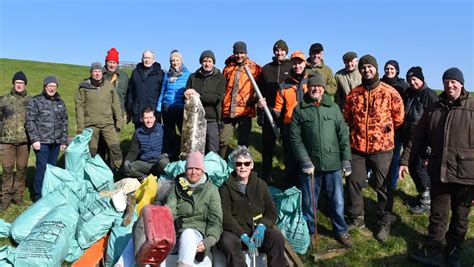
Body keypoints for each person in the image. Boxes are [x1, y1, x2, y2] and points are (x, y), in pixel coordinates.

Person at [400, 68, 473, 266]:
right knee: (438, 215)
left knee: (460, 217)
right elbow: (417, 137)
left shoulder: (472, 106)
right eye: (446, 82)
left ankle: (454, 251)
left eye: (453, 82)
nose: (450, 85)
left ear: (461, 83)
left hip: (467, 175)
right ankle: (433, 250)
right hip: (440, 171)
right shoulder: (433, 108)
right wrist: (405, 160)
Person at [343, 55, 404, 242]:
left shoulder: (389, 92)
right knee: (354, 181)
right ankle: (356, 217)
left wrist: (382, 132)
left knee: (383, 184)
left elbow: (399, 117)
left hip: (382, 148)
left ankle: (384, 220)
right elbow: (348, 117)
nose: (366, 70)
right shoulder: (354, 94)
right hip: (358, 146)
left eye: (370, 67)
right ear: (359, 71)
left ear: (376, 69)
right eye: (363, 67)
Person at [290, 73, 353, 248]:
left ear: (324, 89)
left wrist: (346, 160)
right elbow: (295, 138)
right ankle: (310, 231)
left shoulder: (333, 109)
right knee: (310, 202)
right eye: (312, 86)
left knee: (337, 201)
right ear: (307, 88)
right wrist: (304, 160)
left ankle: (341, 230)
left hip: (333, 164)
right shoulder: (299, 109)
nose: (316, 89)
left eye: (319, 86)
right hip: (311, 166)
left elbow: (343, 136)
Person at [217, 146, 287, 267]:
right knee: (226, 241)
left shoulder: (261, 185)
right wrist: (241, 234)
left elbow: (271, 212)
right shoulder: (226, 187)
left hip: (257, 233)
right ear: (234, 166)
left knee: (276, 237)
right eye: (239, 164)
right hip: (236, 233)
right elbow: (225, 216)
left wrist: (262, 226)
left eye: (246, 163)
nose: (242, 167)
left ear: (252, 165)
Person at [166, 151, 223, 267]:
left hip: (198, 234)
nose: (193, 172)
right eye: (190, 168)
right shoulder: (177, 187)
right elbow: (169, 213)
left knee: (188, 234)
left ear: (202, 171)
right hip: (177, 232)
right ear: (185, 170)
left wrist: (210, 240)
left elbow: (216, 220)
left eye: (197, 168)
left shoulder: (211, 190)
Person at [399, 66, 438, 214]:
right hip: (410, 138)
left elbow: (434, 120)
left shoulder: (429, 95)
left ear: (421, 79)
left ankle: (426, 201)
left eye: (414, 79)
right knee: (413, 168)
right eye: (409, 80)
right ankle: (422, 195)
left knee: (420, 169)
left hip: (423, 140)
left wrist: (430, 143)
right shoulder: (410, 94)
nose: (412, 82)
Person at [26, 76, 68, 201]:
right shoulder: (36, 101)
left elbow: (64, 122)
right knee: (42, 168)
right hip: (42, 142)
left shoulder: (60, 102)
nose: (52, 88)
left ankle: (49, 195)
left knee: (52, 169)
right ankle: (38, 197)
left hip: (56, 142)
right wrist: (34, 139)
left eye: (54, 86)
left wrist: (63, 141)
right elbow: (29, 121)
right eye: (49, 86)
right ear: (45, 87)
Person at [75, 62, 123, 172]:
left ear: (102, 72)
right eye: (95, 71)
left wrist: (119, 121)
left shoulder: (108, 85)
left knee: (115, 148)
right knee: (92, 151)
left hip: (108, 123)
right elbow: (79, 107)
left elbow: (115, 104)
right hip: (91, 124)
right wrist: (80, 127)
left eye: (99, 71)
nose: (97, 73)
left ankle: (118, 172)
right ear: (91, 73)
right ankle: (93, 174)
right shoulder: (84, 86)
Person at [270, 50, 308, 189]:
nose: (297, 65)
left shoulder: (312, 81)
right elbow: (278, 110)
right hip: (290, 127)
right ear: (291, 64)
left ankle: (308, 192)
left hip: (308, 127)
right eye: (295, 62)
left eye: (300, 62)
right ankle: (291, 192)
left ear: (305, 63)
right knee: (291, 163)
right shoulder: (283, 85)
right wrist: (267, 109)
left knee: (307, 162)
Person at [219, 41, 262, 158]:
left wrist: (253, 100)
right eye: (237, 53)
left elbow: (261, 87)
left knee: (243, 143)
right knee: (222, 140)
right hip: (228, 110)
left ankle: (241, 166)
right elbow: (222, 87)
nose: (239, 55)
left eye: (242, 53)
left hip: (245, 111)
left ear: (246, 53)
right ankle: (221, 164)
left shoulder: (254, 68)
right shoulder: (227, 68)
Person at [259, 39, 292, 183]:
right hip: (269, 111)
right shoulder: (266, 68)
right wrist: (259, 101)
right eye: (277, 50)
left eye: (282, 50)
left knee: (288, 146)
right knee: (267, 146)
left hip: (286, 113)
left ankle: (288, 177)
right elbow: (259, 89)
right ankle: (266, 176)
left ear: (286, 51)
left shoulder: (291, 66)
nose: (279, 52)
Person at [0, 71, 31, 210]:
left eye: (22, 83)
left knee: (21, 169)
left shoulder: (30, 101)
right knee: (7, 169)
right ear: (13, 84)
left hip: (24, 141)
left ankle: (18, 195)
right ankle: (5, 197)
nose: (19, 85)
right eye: (17, 82)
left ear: (25, 84)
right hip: (6, 141)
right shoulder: (4, 100)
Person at [185, 50, 226, 153]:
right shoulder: (193, 77)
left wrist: (198, 95)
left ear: (213, 62)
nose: (207, 63)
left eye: (209, 61)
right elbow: (187, 94)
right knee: (194, 146)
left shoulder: (220, 78)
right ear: (201, 62)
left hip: (212, 118)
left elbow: (217, 98)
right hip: (194, 117)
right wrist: (187, 94)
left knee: (212, 148)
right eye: (204, 61)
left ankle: (212, 168)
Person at [381, 60, 410, 190]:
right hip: (380, 125)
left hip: (396, 127)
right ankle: (379, 180)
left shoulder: (403, 86)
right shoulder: (380, 83)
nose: (389, 71)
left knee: (395, 156)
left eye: (392, 69)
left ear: (397, 70)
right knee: (380, 154)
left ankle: (392, 182)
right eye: (387, 68)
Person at [122, 106, 170, 179]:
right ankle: (145, 179)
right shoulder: (138, 133)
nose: (149, 120)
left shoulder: (163, 129)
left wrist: (169, 154)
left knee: (164, 163)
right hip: (145, 163)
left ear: (154, 118)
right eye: (146, 118)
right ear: (142, 119)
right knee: (128, 169)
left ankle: (162, 179)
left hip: (160, 161)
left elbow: (176, 143)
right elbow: (133, 151)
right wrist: (127, 161)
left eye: (151, 117)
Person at [126, 50, 164, 129]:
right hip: (138, 111)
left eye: (149, 58)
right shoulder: (135, 72)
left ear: (153, 60)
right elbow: (130, 91)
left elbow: (162, 92)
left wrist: (159, 110)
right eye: (145, 58)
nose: (147, 60)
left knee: (154, 138)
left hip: (153, 112)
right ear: (142, 59)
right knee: (139, 136)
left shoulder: (160, 73)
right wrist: (130, 108)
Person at [157, 50, 191, 136]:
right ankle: (170, 149)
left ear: (181, 61)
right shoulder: (167, 75)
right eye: (173, 60)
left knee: (184, 134)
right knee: (169, 134)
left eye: (177, 60)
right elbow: (162, 91)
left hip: (181, 109)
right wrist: (159, 107)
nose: (175, 63)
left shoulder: (188, 75)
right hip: (167, 108)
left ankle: (181, 149)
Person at [103, 47, 129, 114]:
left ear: (117, 64)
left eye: (114, 63)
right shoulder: (100, 75)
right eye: (110, 62)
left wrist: (127, 111)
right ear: (106, 62)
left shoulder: (124, 76)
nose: (112, 65)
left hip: (119, 112)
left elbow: (127, 95)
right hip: (103, 112)